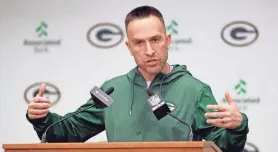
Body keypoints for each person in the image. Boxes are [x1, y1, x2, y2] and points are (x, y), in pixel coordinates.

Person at [26, 5, 248, 152]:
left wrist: (237, 127)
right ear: (128, 47)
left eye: (156, 39)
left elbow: (221, 146)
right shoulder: (112, 89)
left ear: (168, 40)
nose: (149, 50)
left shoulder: (195, 90)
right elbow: (71, 132)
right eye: (139, 43)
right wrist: (42, 118)